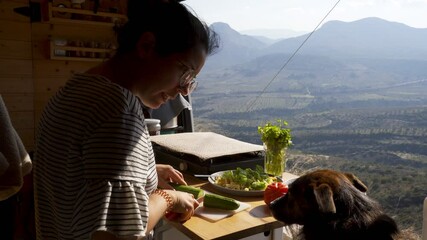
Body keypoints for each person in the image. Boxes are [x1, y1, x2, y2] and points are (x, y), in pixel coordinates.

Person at [33, 0, 219, 239]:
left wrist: (146, 173)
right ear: (146, 46)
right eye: (185, 73)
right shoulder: (117, 109)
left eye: (191, 81)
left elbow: (79, 178)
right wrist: (169, 198)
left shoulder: (72, 91)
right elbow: (121, 233)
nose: (184, 91)